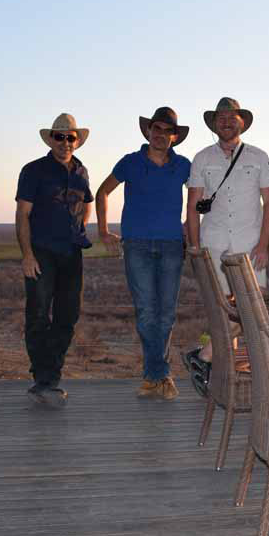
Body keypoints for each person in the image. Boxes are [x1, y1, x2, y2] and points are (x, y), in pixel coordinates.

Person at [95, 107, 191, 401]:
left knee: (166, 315)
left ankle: (153, 378)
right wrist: (102, 231)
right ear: (149, 132)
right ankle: (161, 375)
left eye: (167, 131)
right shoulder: (130, 162)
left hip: (172, 245)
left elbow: (203, 197)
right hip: (136, 245)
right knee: (147, 313)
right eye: (156, 129)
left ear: (174, 137)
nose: (161, 135)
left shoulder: (184, 166)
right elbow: (102, 193)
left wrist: (191, 226)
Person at [182, 97, 269, 395]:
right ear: (214, 124)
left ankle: (203, 356)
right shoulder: (201, 158)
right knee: (223, 311)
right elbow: (194, 204)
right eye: (220, 118)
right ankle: (224, 379)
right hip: (214, 243)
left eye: (231, 117)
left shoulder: (259, 156)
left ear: (242, 122)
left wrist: (263, 244)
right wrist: (195, 249)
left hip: (250, 245)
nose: (226, 122)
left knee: (253, 306)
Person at [15, 113, 94, 407]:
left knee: (68, 316)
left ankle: (51, 377)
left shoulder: (81, 171)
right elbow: (22, 214)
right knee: (37, 315)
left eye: (69, 137)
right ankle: (44, 380)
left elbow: (87, 202)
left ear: (77, 141)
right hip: (41, 253)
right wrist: (27, 255)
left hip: (71, 253)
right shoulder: (34, 171)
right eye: (59, 137)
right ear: (50, 140)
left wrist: (82, 227)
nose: (64, 142)